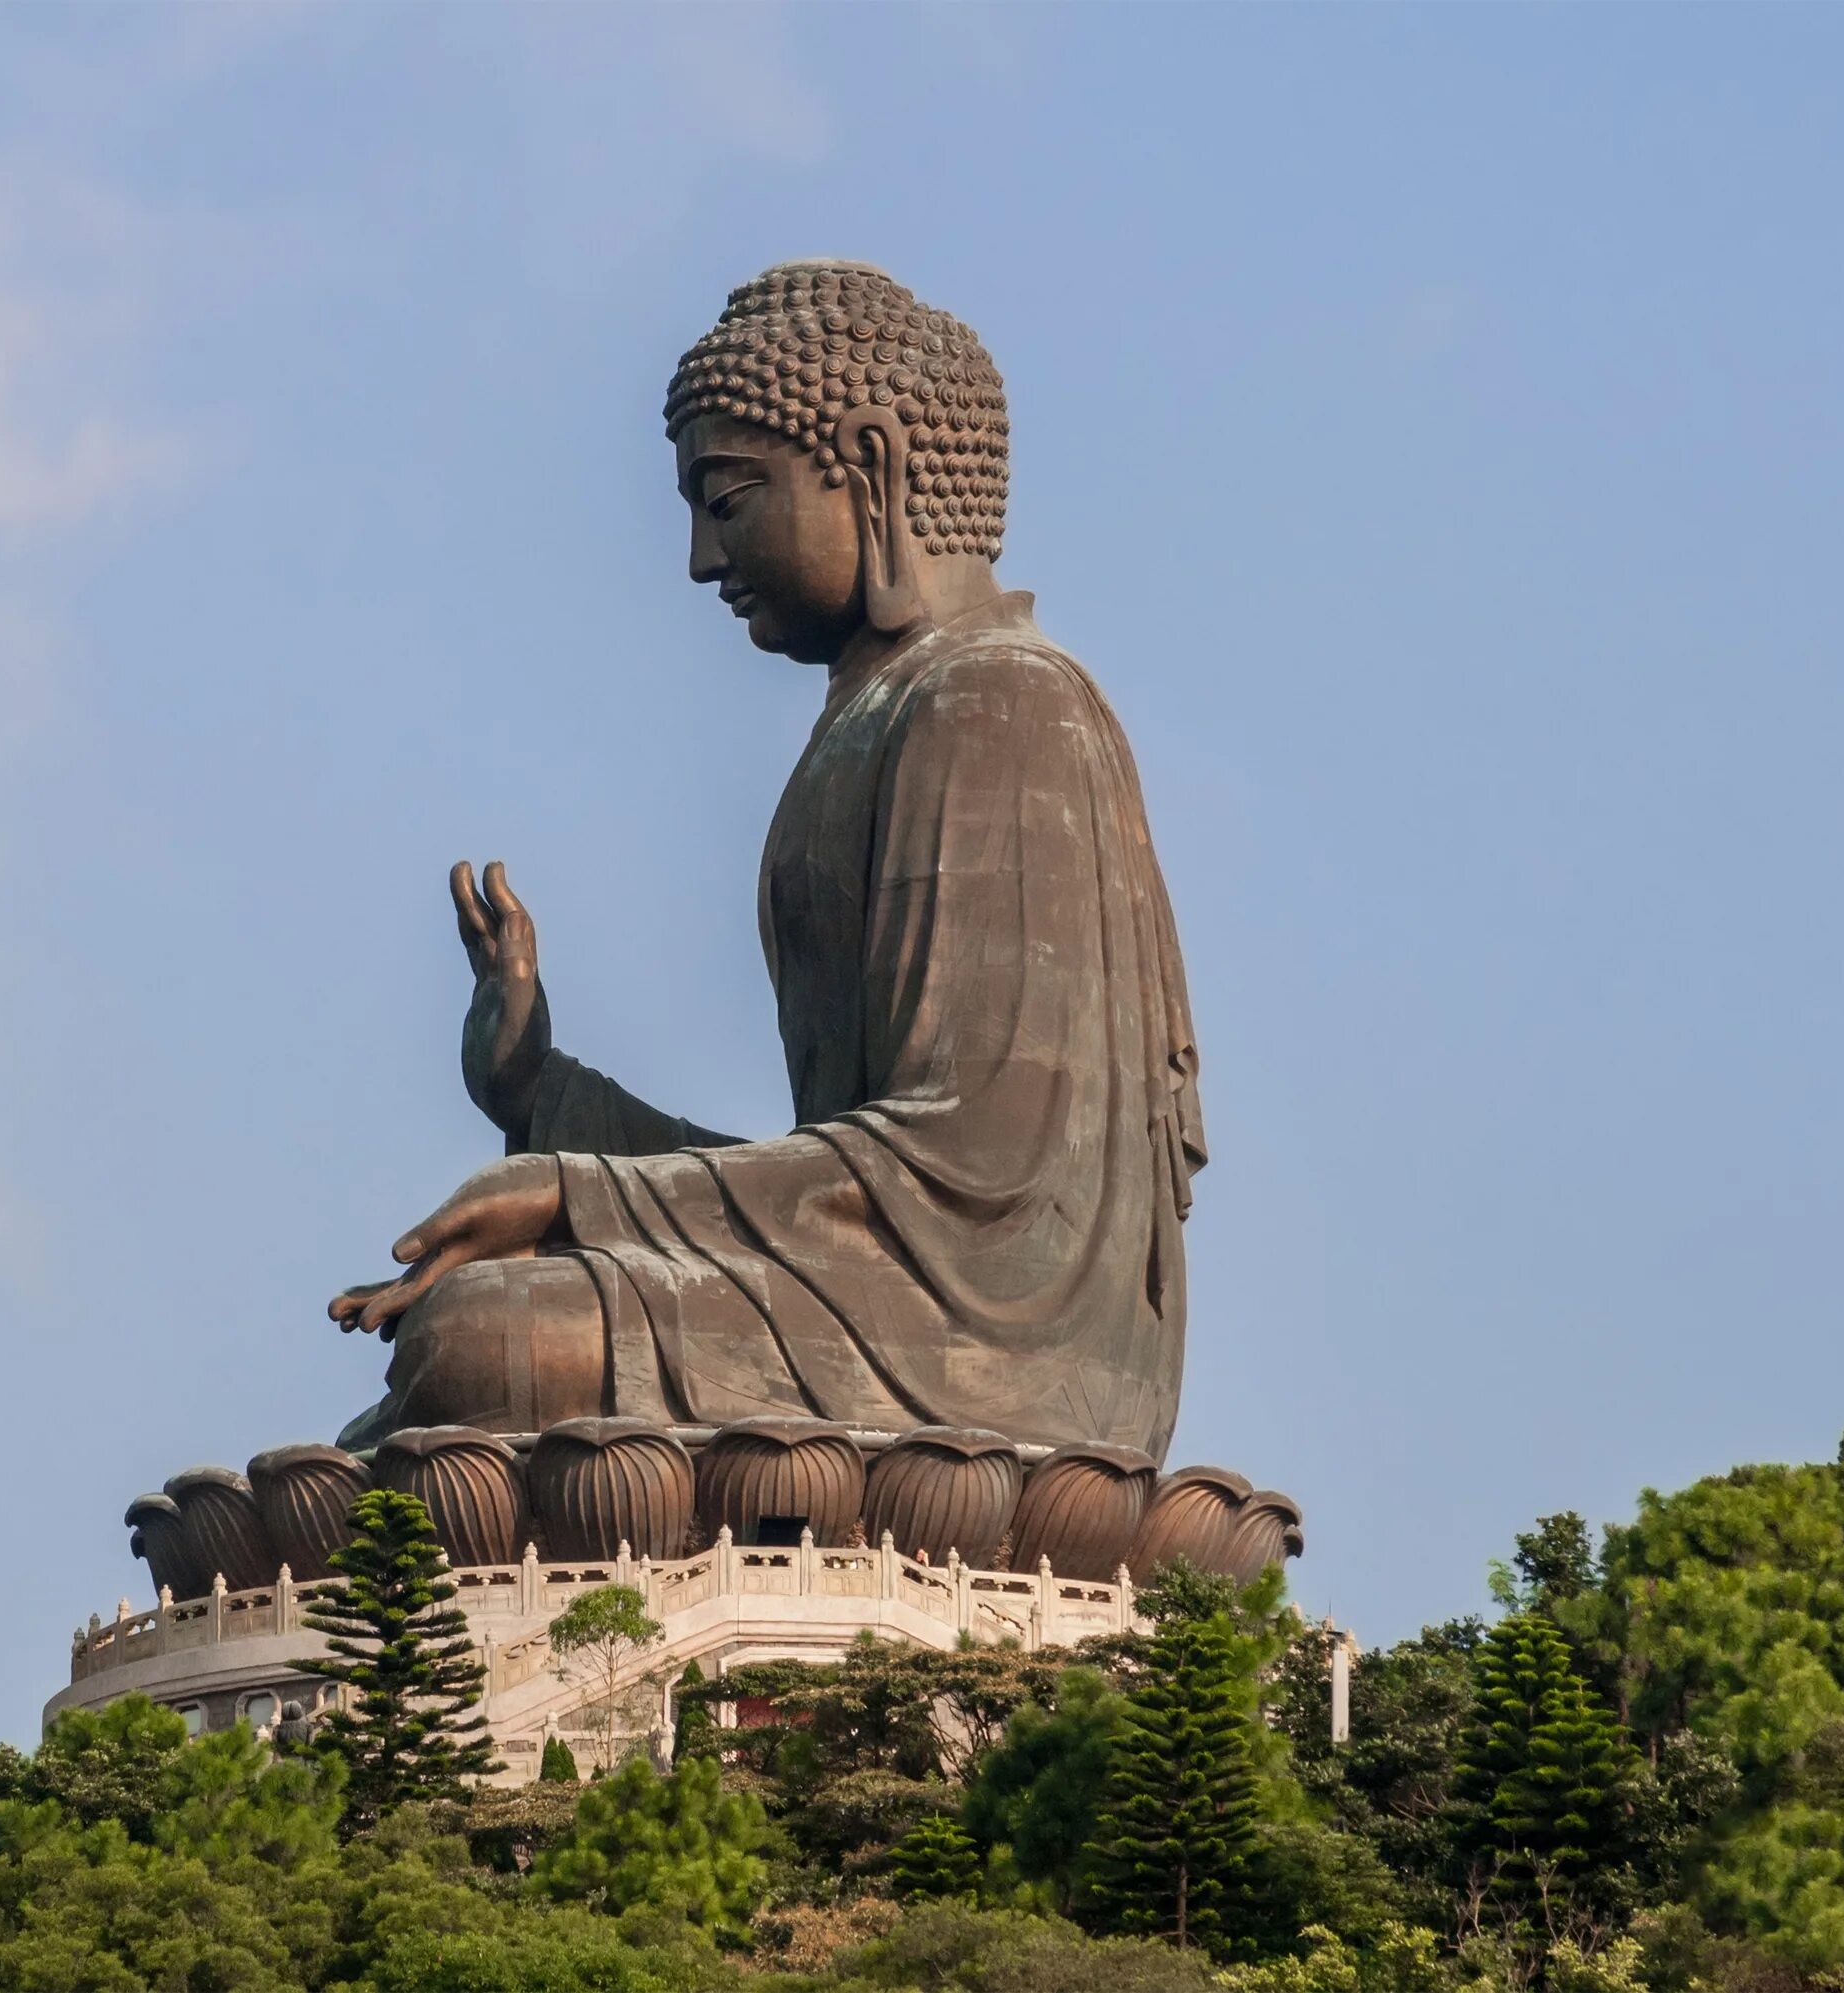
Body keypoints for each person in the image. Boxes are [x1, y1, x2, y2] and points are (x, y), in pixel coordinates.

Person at [331, 262, 1204, 1462]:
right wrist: (543, 1096)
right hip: (871, 1298)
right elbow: (851, 1182)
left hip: (993, 1355)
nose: (700, 556)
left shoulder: (997, 704)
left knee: (483, 1342)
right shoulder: (881, 715)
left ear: (874, 463)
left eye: (730, 496)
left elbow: (971, 1177)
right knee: (408, 1400)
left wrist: (583, 1191)